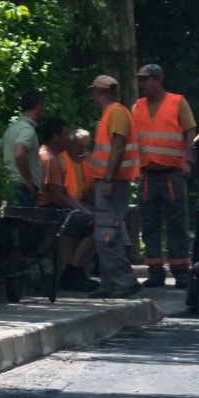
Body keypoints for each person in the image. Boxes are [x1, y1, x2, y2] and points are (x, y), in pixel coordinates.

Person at [131, 63, 197, 289]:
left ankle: (181, 272)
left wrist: (188, 161)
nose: (141, 84)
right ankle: (155, 271)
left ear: (158, 80)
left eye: (145, 79)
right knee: (149, 224)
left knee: (177, 222)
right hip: (147, 174)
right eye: (140, 80)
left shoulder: (177, 102)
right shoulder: (137, 106)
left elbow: (190, 132)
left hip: (171, 173)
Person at [84, 75, 141, 298]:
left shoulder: (115, 112)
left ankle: (125, 282)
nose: (93, 98)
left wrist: (107, 180)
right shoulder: (113, 113)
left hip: (112, 183)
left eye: (94, 93)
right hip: (110, 181)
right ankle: (108, 285)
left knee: (107, 234)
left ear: (99, 93)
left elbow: (117, 148)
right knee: (106, 233)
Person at [38, 119, 97, 293]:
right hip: (48, 212)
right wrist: (80, 213)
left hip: (54, 208)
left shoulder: (52, 157)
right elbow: (56, 196)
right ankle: (73, 273)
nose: (67, 139)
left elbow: (64, 193)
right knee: (96, 226)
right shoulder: (49, 159)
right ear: (55, 136)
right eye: (65, 135)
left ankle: (77, 272)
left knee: (92, 220)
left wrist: (83, 211)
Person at [0, 90, 47, 207]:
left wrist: (3, 175)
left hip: (10, 187)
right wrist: (29, 183)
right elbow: (19, 153)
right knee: (24, 224)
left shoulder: (11, 129)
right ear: (39, 105)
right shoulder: (27, 130)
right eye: (44, 106)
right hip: (23, 190)